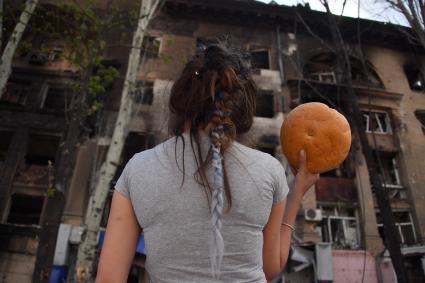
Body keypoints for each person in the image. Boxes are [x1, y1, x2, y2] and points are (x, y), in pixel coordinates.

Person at [95, 41, 319, 283]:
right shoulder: (269, 170)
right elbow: (270, 268)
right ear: (243, 108)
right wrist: (296, 193)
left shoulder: (138, 168)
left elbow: (109, 278)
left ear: (181, 99)